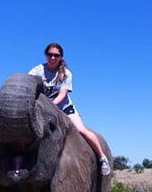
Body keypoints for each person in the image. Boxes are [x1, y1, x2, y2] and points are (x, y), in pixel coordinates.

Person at [29, 42, 111, 175]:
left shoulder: (66, 74)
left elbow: (62, 95)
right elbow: (29, 87)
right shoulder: (37, 70)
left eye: (56, 55)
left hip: (63, 108)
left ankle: (102, 157)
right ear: (46, 55)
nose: (53, 58)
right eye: (50, 54)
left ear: (61, 57)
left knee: (82, 130)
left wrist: (50, 107)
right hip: (42, 109)